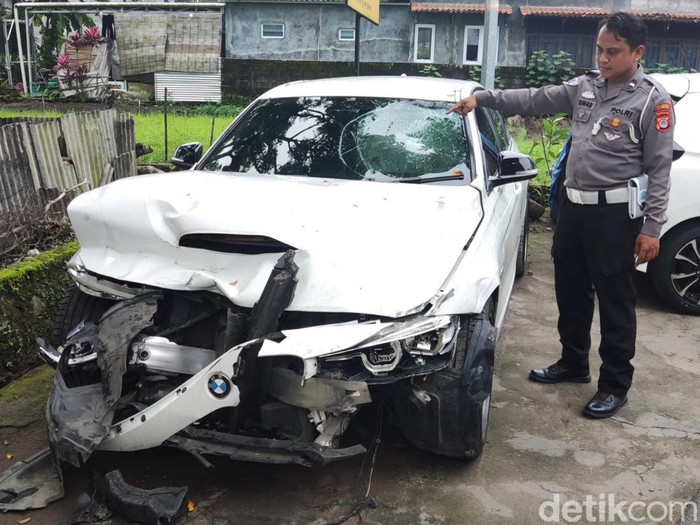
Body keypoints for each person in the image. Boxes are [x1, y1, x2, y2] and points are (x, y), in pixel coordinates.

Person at [449, 12, 674, 419]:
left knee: (616, 303)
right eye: (600, 50)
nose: (603, 59)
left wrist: (652, 228)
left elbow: (659, 170)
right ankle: (573, 363)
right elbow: (534, 98)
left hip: (614, 218)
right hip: (573, 210)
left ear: (637, 52)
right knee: (571, 291)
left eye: (613, 52)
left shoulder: (651, 101)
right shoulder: (586, 87)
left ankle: (615, 385)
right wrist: (482, 99)